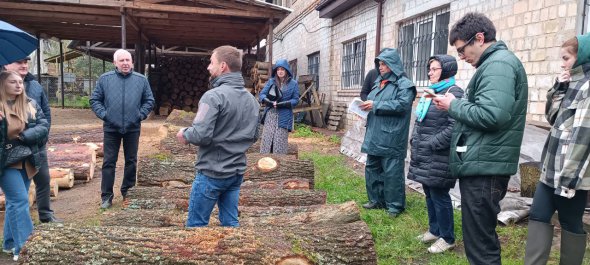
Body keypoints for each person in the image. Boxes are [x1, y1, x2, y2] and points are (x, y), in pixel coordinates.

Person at [432, 13, 527, 265]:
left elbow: (493, 115)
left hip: (486, 167)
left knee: (481, 245)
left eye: (462, 50)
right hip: (483, 163)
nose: (461, 57)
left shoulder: (499, 65)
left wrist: (454, 105)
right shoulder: (494, 64)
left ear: (480, 38)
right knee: (478, 239)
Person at [523, 34, 590, 265]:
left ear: (581, 57)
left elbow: (583, 138)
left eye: (566, 58)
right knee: (538, 216)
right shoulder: (573, 82)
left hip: (571, 176)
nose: (562, 63)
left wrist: (569, 181)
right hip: (550, 170)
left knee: (571, 223)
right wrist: (559, 87)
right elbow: (553, 119)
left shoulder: (588, 87)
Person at [177, 45, 259, 227]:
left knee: (195, 226)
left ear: (223, 66)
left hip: (211, 173)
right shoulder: (252, 100)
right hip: (236, 172)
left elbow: (200, 135)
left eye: (211, 62)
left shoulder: (212, 97)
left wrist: (185, 134)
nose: (208, 67)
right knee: (230, 224)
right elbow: (254, 136)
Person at [408, 55, 464, 254]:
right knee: (429, 193)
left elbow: (456, 125)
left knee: (440, 195)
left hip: (439, 154)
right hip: (425, 153)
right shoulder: (431, 92)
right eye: (429, 68)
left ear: (446, 70)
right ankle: (435, 230)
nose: (430, 72)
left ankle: (447, 238)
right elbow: (422, 121)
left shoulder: (453, 92)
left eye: (434, 69)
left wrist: (433, 142)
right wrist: (415, 140)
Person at [90, 49, 154, 209]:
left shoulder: (141, 80)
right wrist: (105, 115)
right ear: (115, 63)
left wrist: (140, 115)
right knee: (109, 162)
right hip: (111, 128)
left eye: (128, 60)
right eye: (122, 60)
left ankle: (128, 192)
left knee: (131, 161)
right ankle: (106, 197)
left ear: (132, 62)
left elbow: (149, 100)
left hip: (133, 127)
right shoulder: (105, 79)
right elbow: (95, 100)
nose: (125, 63)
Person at [360, 48, 416, 218]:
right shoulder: (378, 83)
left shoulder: (404, 84)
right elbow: (373, 102)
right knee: (372, 168)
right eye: (379, 64)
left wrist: (375, 105)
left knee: (392, 172)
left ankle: (395, 205)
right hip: (375, 133)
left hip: (392, 136)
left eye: (384, 64)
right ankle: (376, 200)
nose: (381, 67)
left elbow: (402, 105)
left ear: (393, 65)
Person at [3, 56, 60, 223]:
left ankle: (46, 215)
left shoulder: (35, 86)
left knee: (43, 180)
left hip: (36, 146)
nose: (24, 66)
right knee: (17, 193)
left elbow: (46, 115)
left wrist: (39, 136)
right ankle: (15, 233)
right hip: (12, 151)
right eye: (19, 62)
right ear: (7, 64)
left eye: (26, 62)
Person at [0, 71, 49, 261]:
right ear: (3, 84)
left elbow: (44, 126)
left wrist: (26, 136)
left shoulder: (30, 104)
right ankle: (26, 247)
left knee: (16, 202)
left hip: (27, 158)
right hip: (6, 162)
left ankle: (10, 243)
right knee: (20, 200)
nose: (18, 85)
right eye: (13, 82)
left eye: (20, 82)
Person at [259, 59, 299, 154]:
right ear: (276, 71)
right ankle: (265, 160)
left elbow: (296, 100)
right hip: (271, 114)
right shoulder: (271, 81)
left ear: (286, 70)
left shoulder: (293, 83)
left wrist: (284, 104)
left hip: (284, 115)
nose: (280, 71)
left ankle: (280, 163)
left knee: (279, 140)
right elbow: (262, 94)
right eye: (278, 69)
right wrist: (268, 101)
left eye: (282, 69)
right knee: (267, 139)